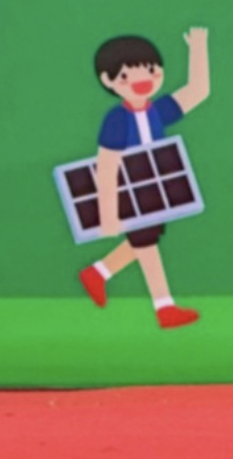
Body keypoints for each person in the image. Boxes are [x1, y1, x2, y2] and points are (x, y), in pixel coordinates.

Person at [80, 27, 210, 329]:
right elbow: (107, 165)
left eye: (150, 70)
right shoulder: (116, 119)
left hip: (156, 185)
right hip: (129, 187)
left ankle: (98, 273)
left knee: (144, 241)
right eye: (126, 76)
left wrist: (198, 48)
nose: (141, 80)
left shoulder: (159, 110)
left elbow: (197, 91)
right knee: (146, 244)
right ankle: (164, 307)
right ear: (108, 81)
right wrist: (108, 214)